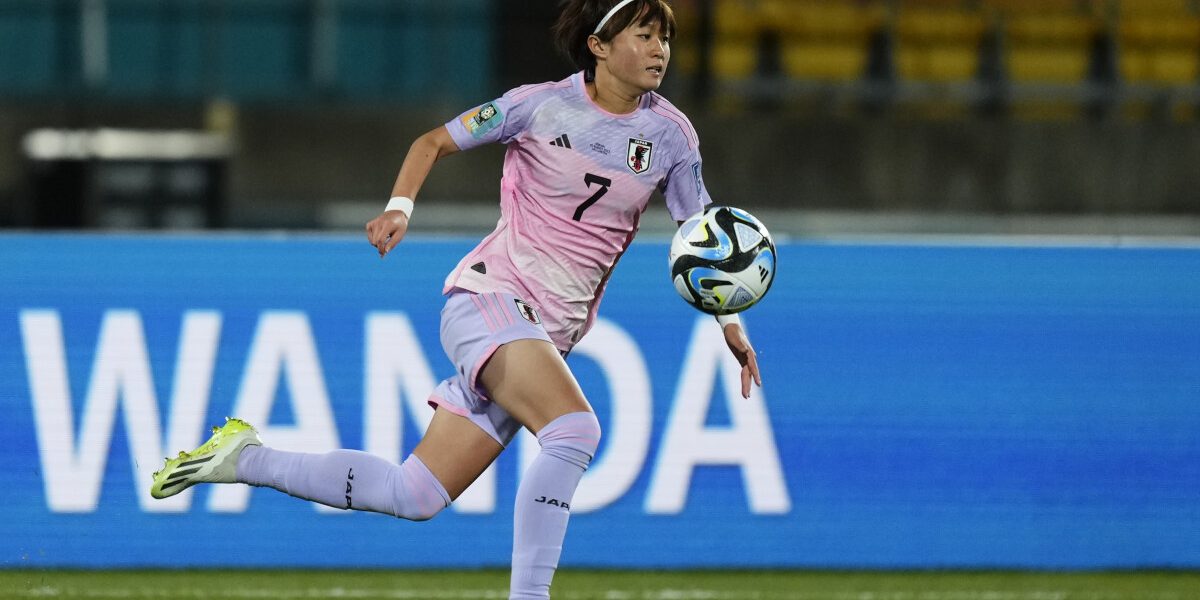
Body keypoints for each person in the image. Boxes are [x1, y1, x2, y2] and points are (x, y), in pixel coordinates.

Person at [150, 1, 761, 598]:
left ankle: (244, 458)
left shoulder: (672, 135)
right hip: (491, 298)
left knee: (414, 494)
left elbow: (700, 235)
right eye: (645, 35)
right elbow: (431, 142)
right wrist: (399, 208)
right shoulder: (538, 105)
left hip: (545, 335)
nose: (660, 50)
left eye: (665, 39)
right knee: (574, 429)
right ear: (598, 46)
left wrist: (729, 319)